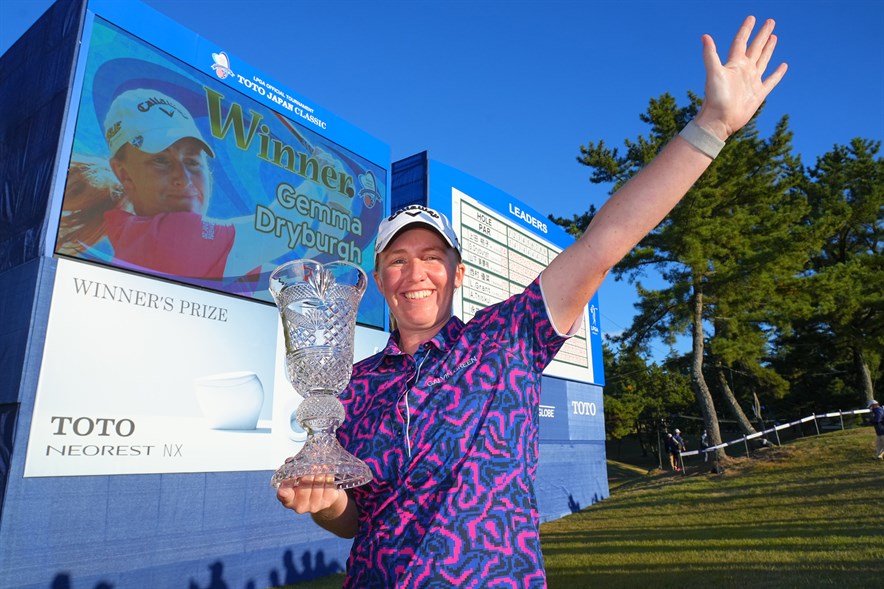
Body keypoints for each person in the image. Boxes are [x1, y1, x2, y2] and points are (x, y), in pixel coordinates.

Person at [276, 16, 787, 588]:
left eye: (431, 257)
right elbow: (354, 520)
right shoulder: (351, 384)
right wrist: (320, 500)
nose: (415, 272)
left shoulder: (506, 338)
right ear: (378, 279)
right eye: (397, 260)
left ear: (458, 273)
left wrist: (711, 126)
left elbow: (603, 244)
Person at [58, 88, 287, 281]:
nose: (184, 178)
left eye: (192, 161)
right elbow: (280, 232)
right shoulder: (172, 236)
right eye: (161, 161)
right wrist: (321, 175)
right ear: (124, 173)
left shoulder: (131, 235)